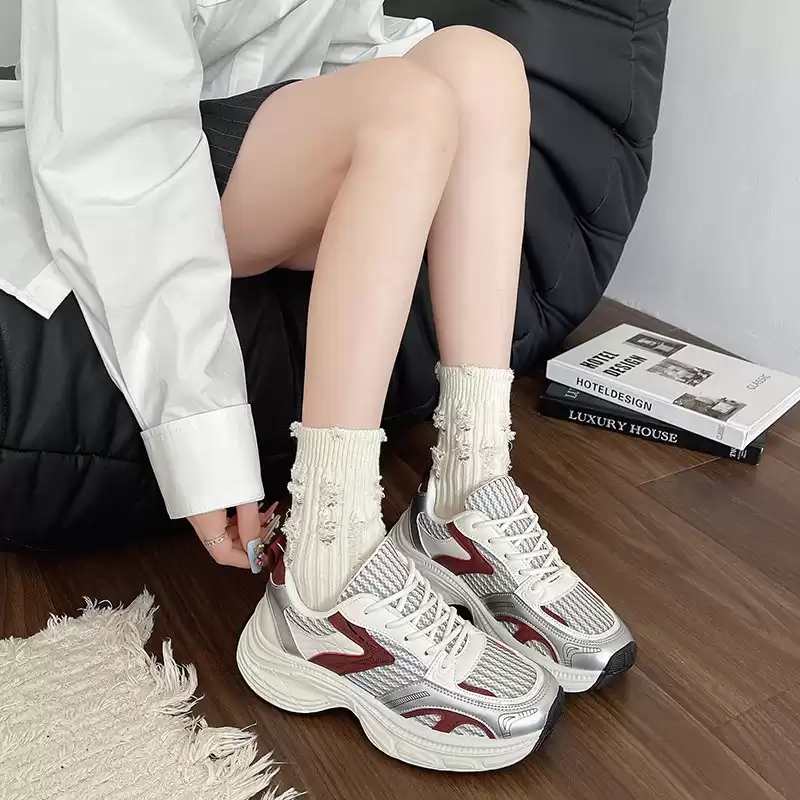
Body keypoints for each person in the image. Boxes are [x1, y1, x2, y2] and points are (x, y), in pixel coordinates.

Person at [16, 0, 635, 772]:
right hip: (129, 163)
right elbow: (115, 166)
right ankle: (323, 572)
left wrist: (435, 125)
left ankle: (467, 494)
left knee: (482, 67)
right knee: (407, 109)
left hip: (268, 115)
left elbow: (337, 41)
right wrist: (201, 437)